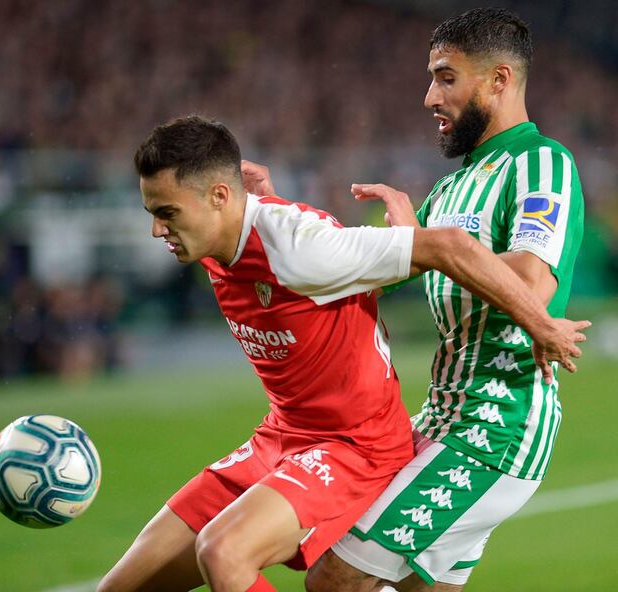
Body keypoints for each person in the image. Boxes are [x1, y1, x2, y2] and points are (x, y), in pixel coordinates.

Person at [96, 115, 588, 592]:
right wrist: (260, 199)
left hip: (354, 445)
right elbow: (261, 224)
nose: (157, 231)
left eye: (167, 213)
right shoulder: (218, 232)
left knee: (223, 553)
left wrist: (540, 324)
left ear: (220, 197)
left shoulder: (300, 248)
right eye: (153, 213)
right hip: (281, 437)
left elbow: (451, 246)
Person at [246, 8, 587, 592]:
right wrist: (278, 216)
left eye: (446, 77)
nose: (430, 96)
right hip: (438, 415)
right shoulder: (453, 187)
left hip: (497, 424)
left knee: (335, 576)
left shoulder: (541, 163)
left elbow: (530, 283)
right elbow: (364, 271)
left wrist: (428, 247)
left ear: (499, 80)